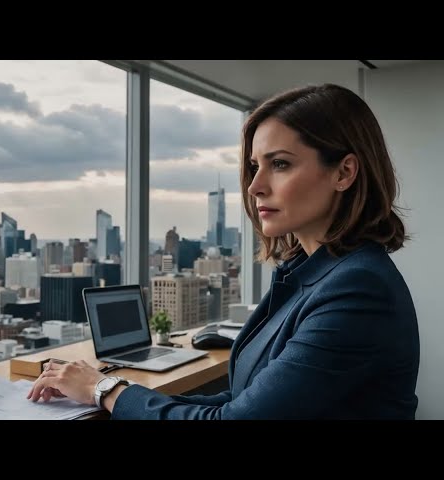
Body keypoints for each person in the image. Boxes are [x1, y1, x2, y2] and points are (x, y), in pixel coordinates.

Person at [26, 83, 420, 419]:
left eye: (280, 164)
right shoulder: (307, 271)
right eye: (254, 166)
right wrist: (109, 390)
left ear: (344, 173)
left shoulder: (358, 288)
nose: (255, 186)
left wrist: (104, 389)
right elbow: (239, 400)